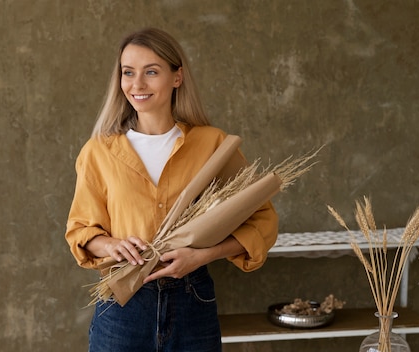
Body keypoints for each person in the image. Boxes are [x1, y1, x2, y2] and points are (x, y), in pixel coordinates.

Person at [65, 27, 278, 352]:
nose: (137, 85)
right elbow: (80, 231)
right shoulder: (99, 152)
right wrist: (111, 245)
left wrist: (202, 256)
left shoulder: (213, 145)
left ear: (177, 77)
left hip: (192, 300)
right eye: (128, 73)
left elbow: (262, 222)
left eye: (151, 72)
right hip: (122, 306)